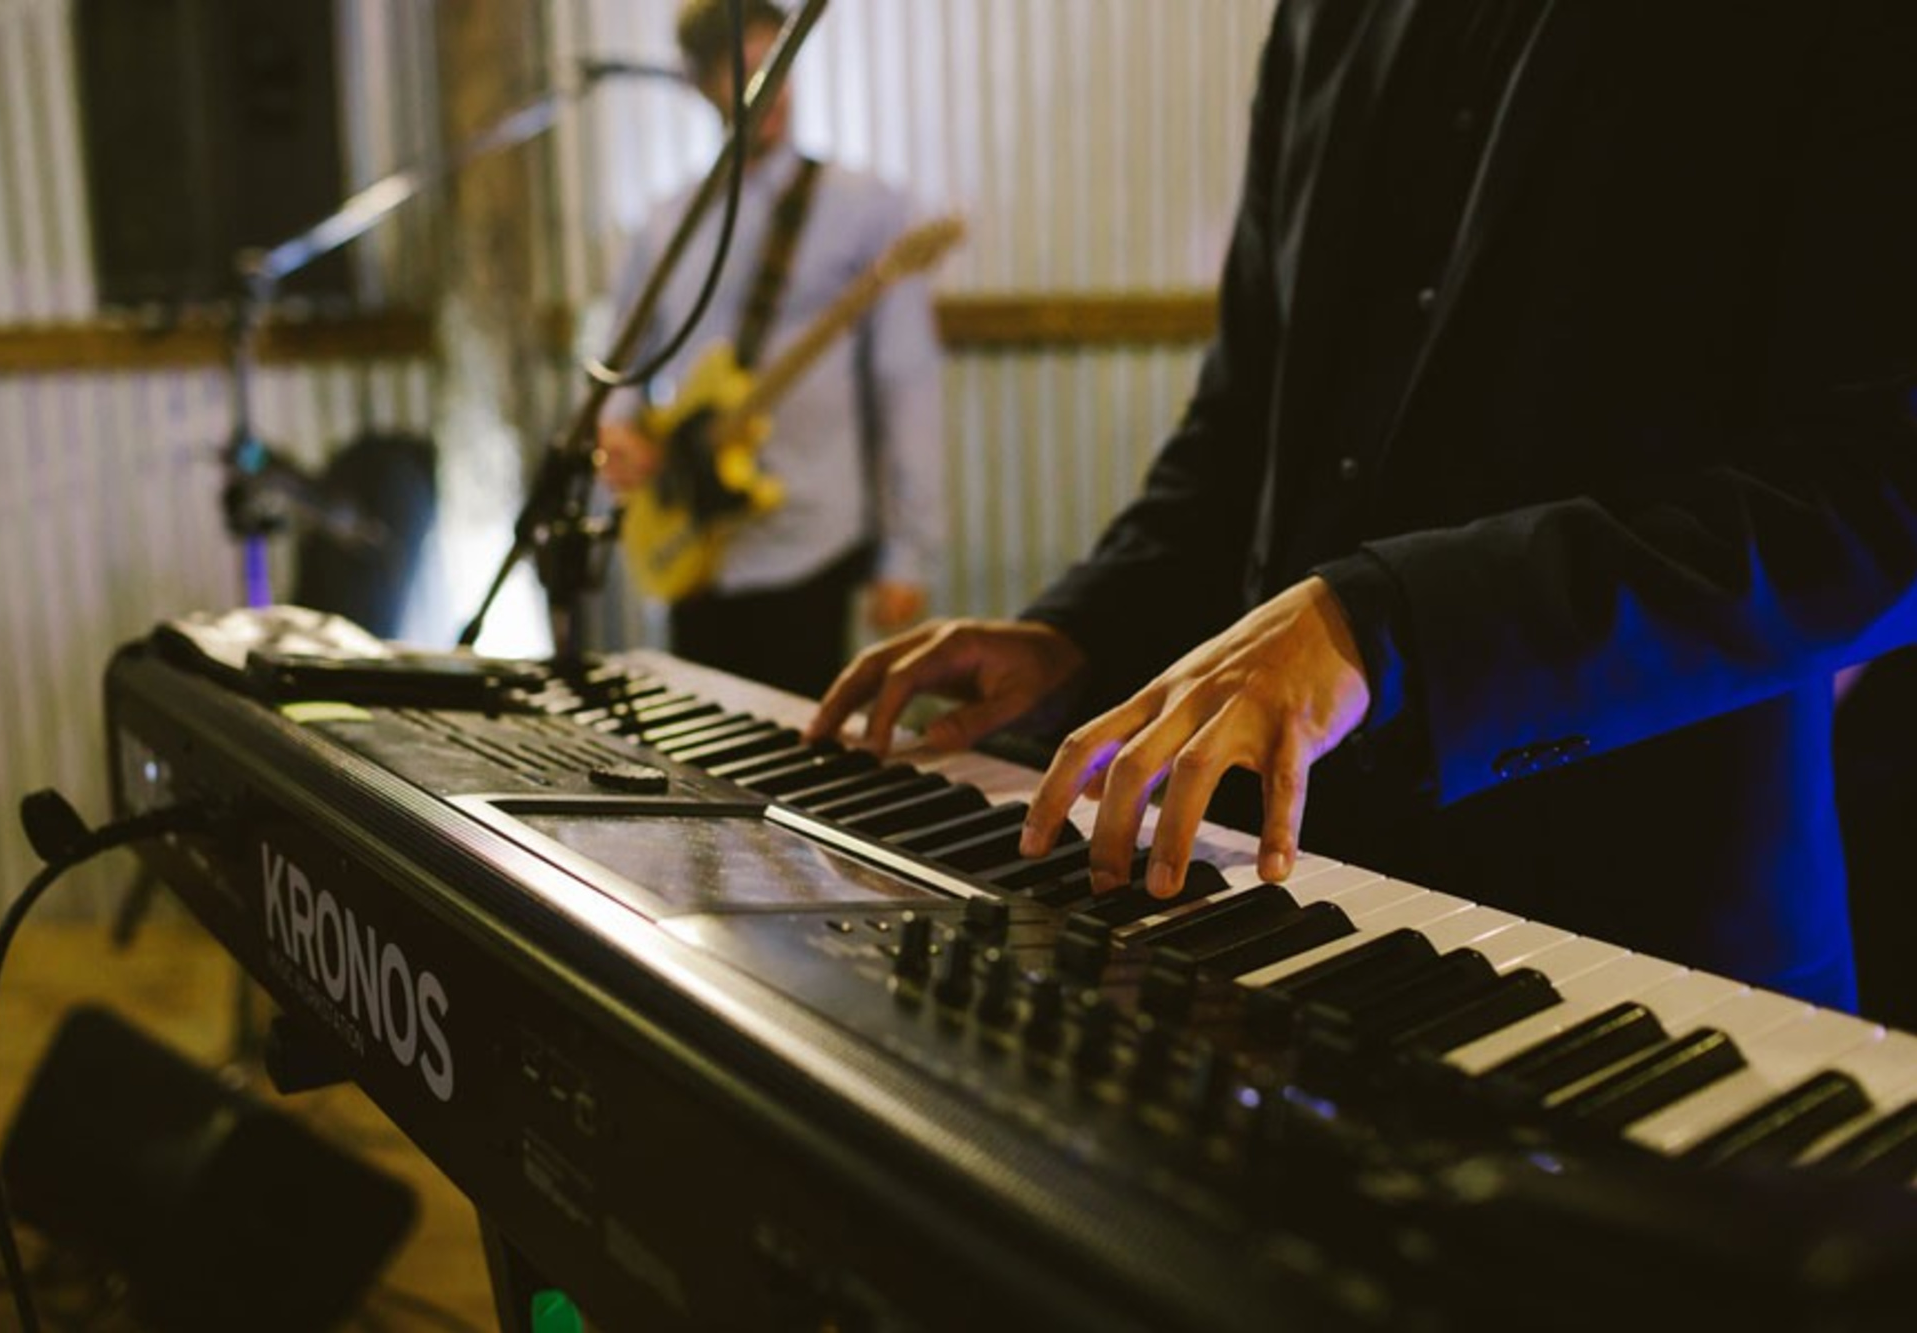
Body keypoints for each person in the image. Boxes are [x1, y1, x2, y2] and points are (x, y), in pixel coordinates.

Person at [807, 0, 1917, 1013]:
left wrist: (1389, 629)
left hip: (1644, 955)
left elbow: (1882, 499)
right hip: (1288, 911)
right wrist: (1080, 628)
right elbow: (1246, 428)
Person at [594, 0, 946, 699]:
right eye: (746, 70)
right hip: (692, 535)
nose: (771, 87)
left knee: (802, 757)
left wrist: (908, 551)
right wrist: (618, 424)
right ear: (700, 85)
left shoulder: (867, 207)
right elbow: (623, 351)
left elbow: (906, 381)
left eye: (779, 66)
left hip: (808, 534)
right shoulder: (668, 222)